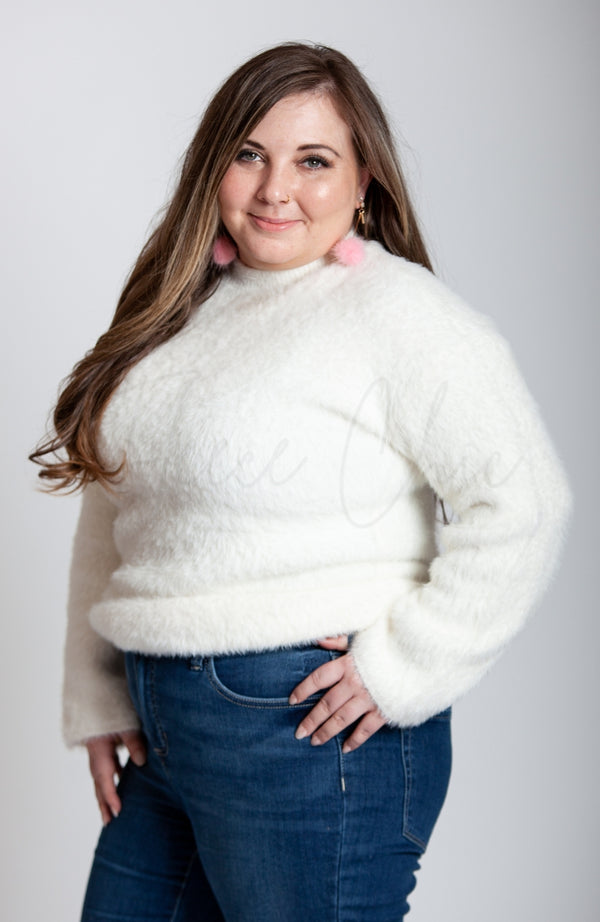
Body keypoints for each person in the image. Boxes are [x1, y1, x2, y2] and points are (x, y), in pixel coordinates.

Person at [31, 41, 571, 922]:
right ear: (213, 165)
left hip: (305, 737)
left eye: (313, 161)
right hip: (161, 735)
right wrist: (96, 693)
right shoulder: (175, 312)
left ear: (364, 182)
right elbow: (115, 496)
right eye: (250, 154)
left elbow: (524, 504)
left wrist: (405, 666)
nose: (275, 188)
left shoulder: (402, 316)